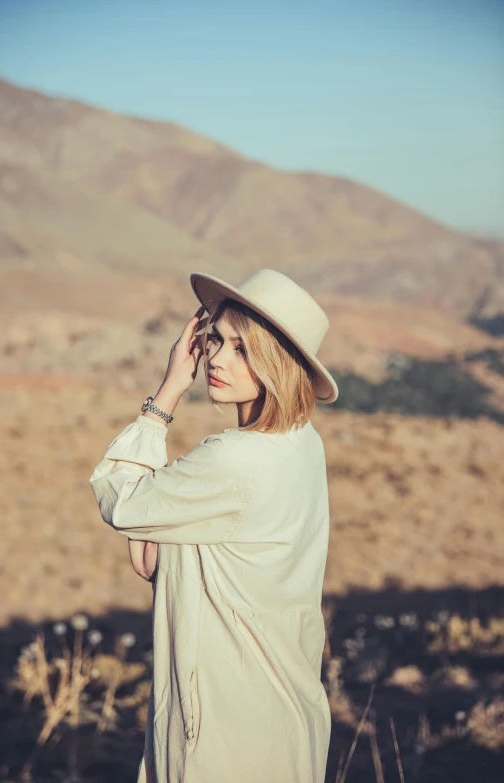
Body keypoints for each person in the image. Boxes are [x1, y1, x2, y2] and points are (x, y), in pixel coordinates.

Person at [89, 268, 339, 783]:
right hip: (285, 717)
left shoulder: (235, 460)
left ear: (277, 362)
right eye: (217, 341)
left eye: (243, 349)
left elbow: (122, 500)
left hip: (224, 730)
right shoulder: (303, 444)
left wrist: (166, 394)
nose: (217, 360)